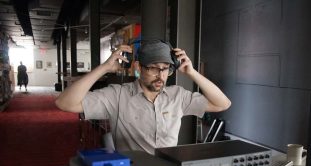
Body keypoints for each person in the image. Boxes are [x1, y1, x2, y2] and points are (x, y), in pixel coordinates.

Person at [55, 40, 231, 154]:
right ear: (139, 67)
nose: (160, 75)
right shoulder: (117, 95)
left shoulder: (177, 96)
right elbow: (64, 103)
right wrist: (104, 68)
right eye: (154, 68)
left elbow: (222, 104)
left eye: (165, 68)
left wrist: (192, 73)